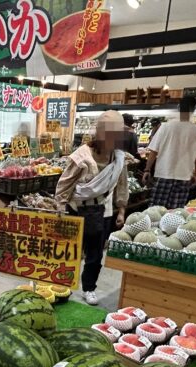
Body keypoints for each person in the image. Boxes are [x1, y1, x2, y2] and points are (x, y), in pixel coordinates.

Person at [55, 111, 130, 306]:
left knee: (95, 255)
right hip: (76, 211)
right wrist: (60, 209)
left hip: (103, 212)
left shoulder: (119, 158)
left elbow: (122, 185)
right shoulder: (82, 156)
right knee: (69, 253)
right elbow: (64, 185)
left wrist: (121, 210)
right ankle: (63, 286)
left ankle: (89, 288)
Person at [144, 98, 196, 208]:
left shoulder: (165, 127)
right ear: (194, 110)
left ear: (178, 108)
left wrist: (147, 170)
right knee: (174, 211)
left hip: (164, 173)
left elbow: (154, 151)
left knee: (156, 209)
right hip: (183, 175)